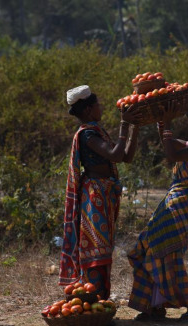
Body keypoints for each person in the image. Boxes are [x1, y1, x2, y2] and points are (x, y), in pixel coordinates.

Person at [127, 98, 188, 321]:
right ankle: (155, 306)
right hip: (174, 206)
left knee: (165, 251)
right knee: (149, 246)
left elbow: (172, 153)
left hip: (181, 209)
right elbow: (170, 143)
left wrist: (168, 124)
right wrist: (163, 123)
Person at [59, 85, 143, 300]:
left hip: (103, 193)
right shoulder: (87, 134)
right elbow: (115, 155)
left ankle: (99, 300)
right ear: (88, 110)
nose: (100, 108)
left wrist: (135, 127)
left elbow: (126, 157)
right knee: (96, 247)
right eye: (97, 105)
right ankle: (92, 298)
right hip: (94, 194)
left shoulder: (97, 131)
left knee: (103, 247)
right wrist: (124, 124)